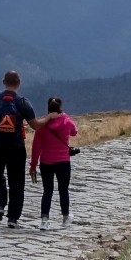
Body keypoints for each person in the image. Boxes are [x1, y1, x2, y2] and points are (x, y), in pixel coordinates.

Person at [0, 70, 36, 225]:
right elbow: (35, 125)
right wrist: (51, 118)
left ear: (3, 82)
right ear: (19, 83)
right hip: (16, 146)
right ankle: (13, 218)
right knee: (16, 181)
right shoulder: (23, 102)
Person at [28, 96, 77, 229]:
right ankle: (65, 217)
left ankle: (44, 221)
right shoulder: (66, 121)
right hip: (63, 161)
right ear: (60, 108)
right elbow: (74, 132)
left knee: (47, 191)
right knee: (63, 189)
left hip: (46, 162)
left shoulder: (42, 125)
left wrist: (33, 165)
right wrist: (65, 116)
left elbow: (36, 147)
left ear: (48, 108)